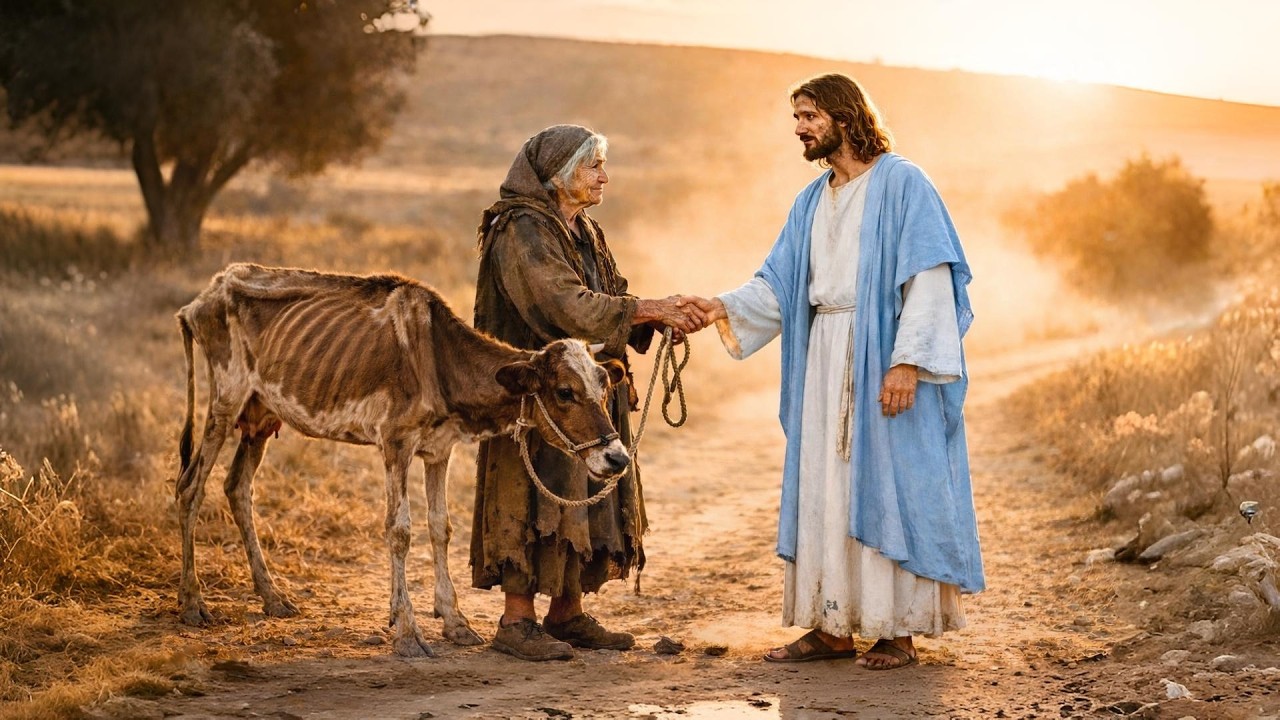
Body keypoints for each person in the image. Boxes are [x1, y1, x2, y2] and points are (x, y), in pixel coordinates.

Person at [683, 74, 985, 670]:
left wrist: (907, 363)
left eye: (808, 116)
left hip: (884, 358)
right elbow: (778, 285)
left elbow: (930, 280)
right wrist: (719, 306)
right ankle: (832, 626)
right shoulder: (811, 200)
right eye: (796, 118)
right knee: (826, 483)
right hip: (822, 354)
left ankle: (896, 630)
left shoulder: (903, 183)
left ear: (844, 117)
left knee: (891, 484)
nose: (799, 128)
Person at [472, 124, 703, 661]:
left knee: (581, 489)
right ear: (557, 175)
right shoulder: (522, 229)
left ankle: (566, 614)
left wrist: (644, 330)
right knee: (530, 492)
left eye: (602, 164)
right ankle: (516, 621)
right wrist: (649, 309)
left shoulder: (584, 228)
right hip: (536, 392)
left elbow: (611, 294)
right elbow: (567, 306)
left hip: (585, 389)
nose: (604, 175)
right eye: (592, 165)